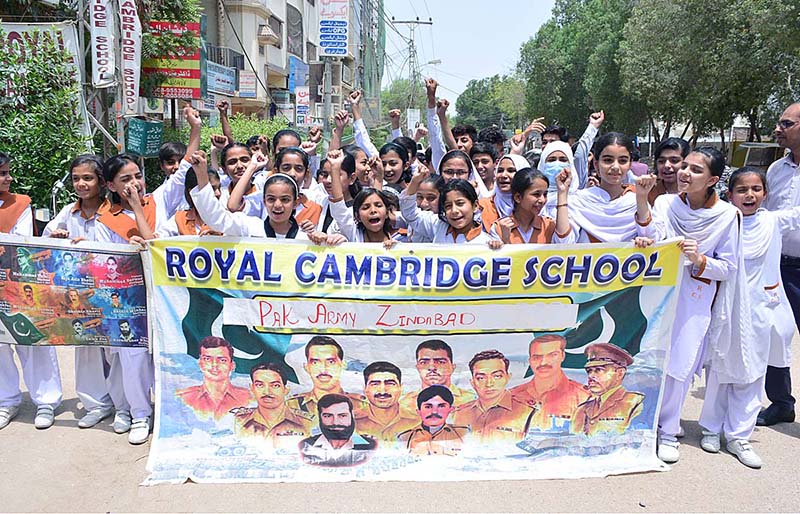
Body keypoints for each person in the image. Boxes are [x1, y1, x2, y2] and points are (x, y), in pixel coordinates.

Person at [635, 147, 748, 464]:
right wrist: (643, 200)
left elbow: (728, 268)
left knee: (680, 365)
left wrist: (699, 260)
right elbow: (651, 235)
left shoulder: (727, 216)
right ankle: (647, 423)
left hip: (695, 297)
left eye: (696, 170)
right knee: (651, 358)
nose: (684, 172)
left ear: (713, 179)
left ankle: (668, 432)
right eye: (684, 166)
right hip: (659, 290)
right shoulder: (666, 203)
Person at [698, 166, 800, 468]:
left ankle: (739, 435)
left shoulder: (773, 221)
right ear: (730, 194)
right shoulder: (723, 221)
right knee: (719, 369)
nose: (750, 195)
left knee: (753, 372)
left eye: (756, 189)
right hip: (727, 306)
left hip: (760, 308)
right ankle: (711, 429)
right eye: (742, 190)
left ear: (766, 194)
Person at [0, 151, 63, 431]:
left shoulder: (21, 205)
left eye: (8, 171)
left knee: (32, 339)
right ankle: (6, 400)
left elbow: (20, 242)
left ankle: (46, 401)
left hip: (17, 283)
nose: (8, 178)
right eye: (2, 173)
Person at [760, 102, 800, 427]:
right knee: (773, 332)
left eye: (785, 123)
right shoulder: (776, 170)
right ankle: (781, 403)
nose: (778, 129)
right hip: (777, 267)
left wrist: (763, 219)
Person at [567, 133, 639, 243]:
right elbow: (564, 243)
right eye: (608, 160)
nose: (615, 167)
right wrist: (562, 195)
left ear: (630, 165)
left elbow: (652, 238)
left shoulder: (636, 202)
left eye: (622, 161)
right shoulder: (578, 202)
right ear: (596, 165)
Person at [401, 169, 500, 246]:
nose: (454, 211)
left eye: (460, 203)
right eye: (448, 206)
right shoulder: (438, 225)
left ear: (475, 206)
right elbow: (411, 214)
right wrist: (415, 182)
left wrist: (498, 249)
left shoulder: (485, 243)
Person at [510, 335, 589, 431]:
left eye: (552, 355)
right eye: (537, 357)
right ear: (530, 360)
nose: (543, 362)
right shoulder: (511, 397)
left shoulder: (585, 398)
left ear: (563, 356)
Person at [454, 349, 534, 443]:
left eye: (497, 376)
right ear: (472, 382)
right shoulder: (459, 414)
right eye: (481, 378)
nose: (489, 383)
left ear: (508, 377)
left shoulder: (528, 412)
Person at [324, 149, 401, 245]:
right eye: (366, 207)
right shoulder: (353, 235)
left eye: (378, 205)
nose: (373, 210)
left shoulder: (401, 243)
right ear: (357, 217)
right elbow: (338, 208)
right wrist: (335, 167)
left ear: (386, 213)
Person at [571, 343, 644, 436]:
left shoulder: (635, 403)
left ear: (620, 373)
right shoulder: (582, 409)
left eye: (599, 370)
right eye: (589, 371)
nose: (591, 376)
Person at [233, 363, 313, 448]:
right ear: (252, 388)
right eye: (260, 385)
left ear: (286, 390)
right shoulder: (240, 420)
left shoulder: (304, 421)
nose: (267, 392)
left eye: (275, 385)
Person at [287, 336, 365, 419]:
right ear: (307, 367)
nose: (323, 369)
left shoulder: (363, 406)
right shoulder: (289, 406)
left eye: (331, 362)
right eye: (315, 362)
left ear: (343, 365)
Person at [491, 168, 575, 244]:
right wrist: (505, 240)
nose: (542, 200)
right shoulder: (500, 228)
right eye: (536, 194)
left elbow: (566, 244)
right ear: (518, 197)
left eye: (545, 194)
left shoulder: (549, 226)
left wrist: (562, 192)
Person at [175, 336, 252, 420]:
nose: (214, 365)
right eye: (207, 359)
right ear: (200, 364)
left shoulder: (249, 398)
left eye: (222, 360)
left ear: (232, 365)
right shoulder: (183, 398)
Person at [298, 393, 377, 467]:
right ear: (320, 417)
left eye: (342, 415)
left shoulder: (372, 446)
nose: (335, 422)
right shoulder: (304, 446)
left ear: (352, 416)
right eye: (328, 416)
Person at [399, 339, 476, 413]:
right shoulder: (404, 404)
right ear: (418, 367)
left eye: (440, 362)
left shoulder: (471, 399)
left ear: (452, 367)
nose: (432, 368)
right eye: (424, 362)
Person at [354, 361, 417, 443]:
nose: (382, 391)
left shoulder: (417, 421)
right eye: (375, 384)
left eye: (390, 384)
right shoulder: (351, 422)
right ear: (365, 388)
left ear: (401, 388)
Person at [397, 385, 469, 456]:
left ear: (450, 410)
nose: (434, 412)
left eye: (441, 406)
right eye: (428, 407)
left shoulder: (463, 434)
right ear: (419, 411)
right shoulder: (405, 437)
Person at [478, 154, 529, 232]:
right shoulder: (483, 206)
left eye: (511, 171)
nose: (503, 175)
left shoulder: (532, 206)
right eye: (500, 170)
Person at [648, 137, 690, 205]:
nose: (666, 165)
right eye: (661, 161)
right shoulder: (648, 194)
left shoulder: (697, 195)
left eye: (674, 161)